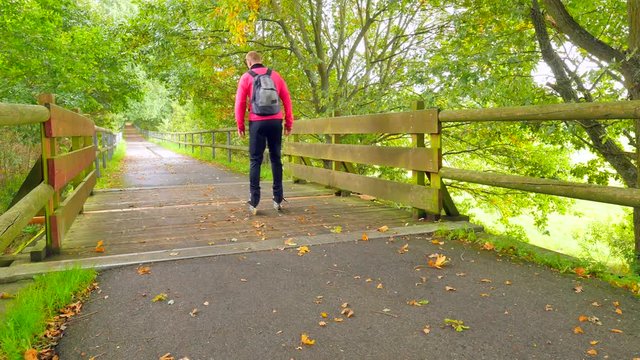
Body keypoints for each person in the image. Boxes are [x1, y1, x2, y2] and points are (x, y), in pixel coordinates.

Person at [235, 51, 294, 215]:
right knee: (276, 158)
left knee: (255, 160)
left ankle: (254, 201)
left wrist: (240, 126)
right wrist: (289, 122)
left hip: (257, 122)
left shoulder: (246, 77)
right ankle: (278, 198)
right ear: (261, 60)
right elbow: (287, 99)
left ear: (248, 62)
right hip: (275, 122)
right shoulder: (275, 76)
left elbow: (240, 103)